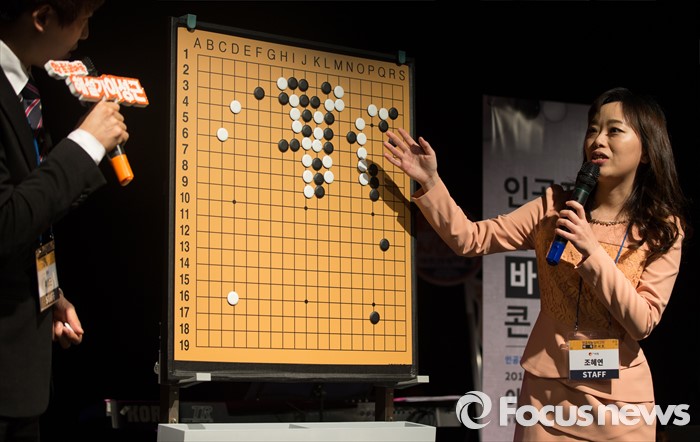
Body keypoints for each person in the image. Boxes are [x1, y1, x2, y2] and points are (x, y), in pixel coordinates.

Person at [383, 87, 690, 440]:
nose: (598, 140)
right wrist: (431, 181)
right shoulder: (553, 207)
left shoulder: (663, 230)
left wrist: (592, 250)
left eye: (614, 130)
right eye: (593, 129)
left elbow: (642, 322)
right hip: (547, 398)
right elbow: (471, 238)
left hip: (621, 405)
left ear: (647, 150)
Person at [0, 1, 128, 440]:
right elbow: (5, 224)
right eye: (83, 20)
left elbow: (31, 212)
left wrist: (48, 293)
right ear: (41, 18)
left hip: (21, 379)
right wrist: (85, 144)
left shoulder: (24, 86)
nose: (86, 35)